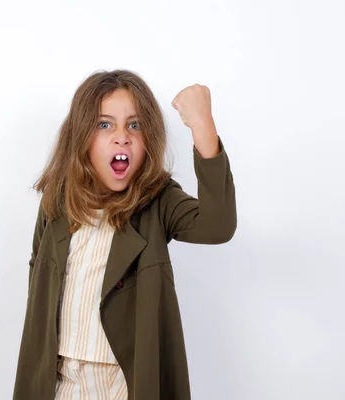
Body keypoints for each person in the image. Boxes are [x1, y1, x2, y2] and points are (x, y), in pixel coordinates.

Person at [13, 69, 237, 399]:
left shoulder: (158, 201)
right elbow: (39, 274)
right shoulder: (58, 200)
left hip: (122, 383)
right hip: (60, 379)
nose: (122, 137)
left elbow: (218, 225)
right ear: (81, 136)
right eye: (105, 124)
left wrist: (203, 125)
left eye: (134, 125)